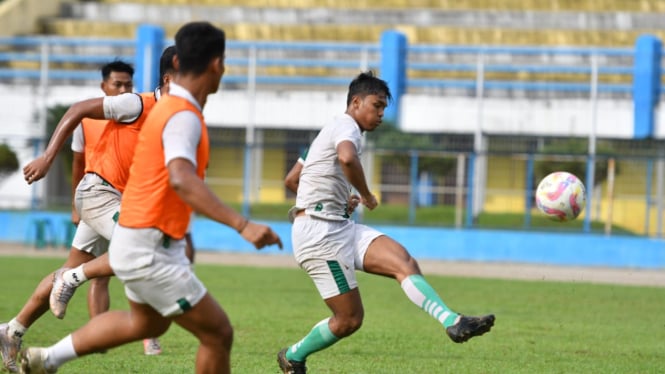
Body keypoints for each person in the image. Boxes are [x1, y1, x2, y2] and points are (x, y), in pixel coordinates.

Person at [19, 21, 283, 374]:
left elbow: (165, 181)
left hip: (139, 237)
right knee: (218, 333)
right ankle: (75, 277)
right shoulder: (181, 115)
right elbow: (181, 179)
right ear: (217, 64)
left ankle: (45, 359)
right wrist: (243, 224)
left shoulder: (166, 112)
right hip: (147, 246)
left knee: (146, 324)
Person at [276, 71, 495, 374]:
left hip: (338, 225)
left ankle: (453, 322)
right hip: (319, 236)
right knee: (349, 320)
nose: (380, 114)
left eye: (383, 108)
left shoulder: (332, 131)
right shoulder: (346, 126)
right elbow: (348, 159)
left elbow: (292, 180)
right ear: (356, 102)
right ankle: (293, 356)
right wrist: (365, 194)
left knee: (403, 261)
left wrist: (335, 200)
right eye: (376, 106)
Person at [0, 60, 135, 373]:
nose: (124, 90)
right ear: (104, 86)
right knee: (139, 251)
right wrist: (74, 202)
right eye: (118, 84)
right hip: (100, 196)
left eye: (128, 84)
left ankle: (13, 330)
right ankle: (143, 334)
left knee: (74, 267)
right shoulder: (90, 119)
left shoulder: (132, 111)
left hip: (114, 199)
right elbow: (78, 163)